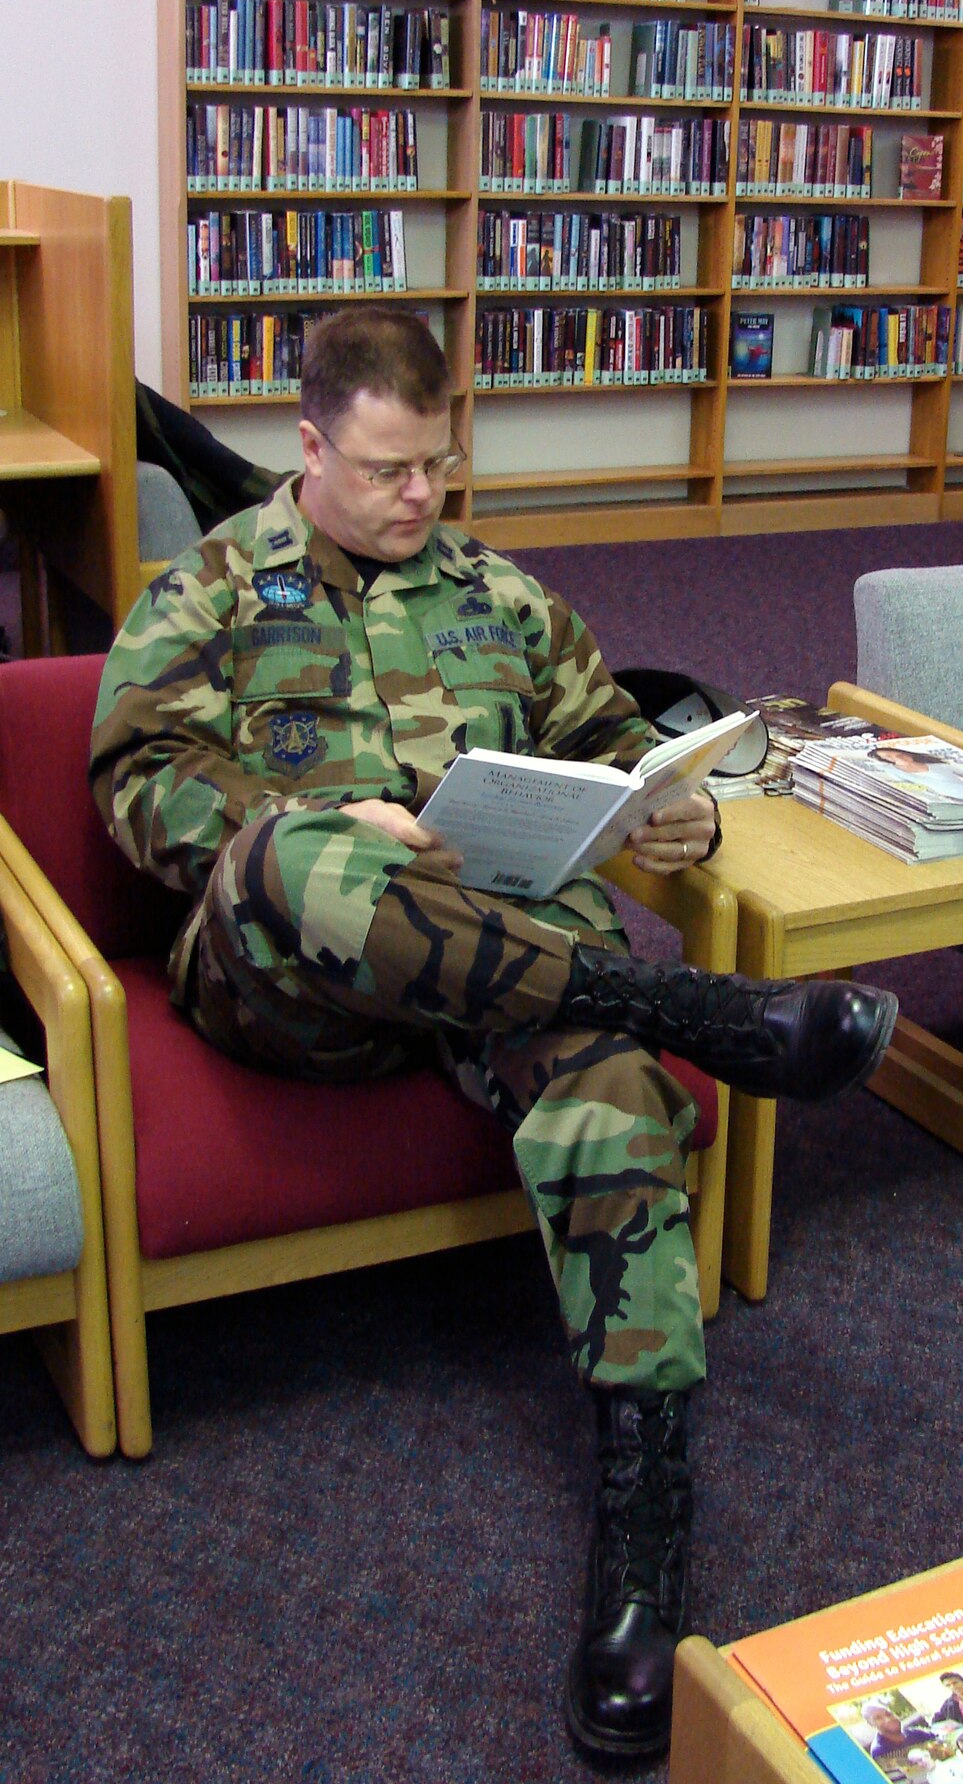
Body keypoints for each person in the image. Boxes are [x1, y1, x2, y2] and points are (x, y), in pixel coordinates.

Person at [89, 306, 897, 1762]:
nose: (419, 499)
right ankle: (699, 1013)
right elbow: (137, 787)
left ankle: (640, 1552)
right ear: (312, 442)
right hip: (289, 979)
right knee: (303, 852)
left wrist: (669, 805)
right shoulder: (205, 588)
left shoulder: (498, 594)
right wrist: (322, 826)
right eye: (389, 470)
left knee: (606, 1089)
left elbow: (601, 742)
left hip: (503, 975)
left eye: (438, 467)